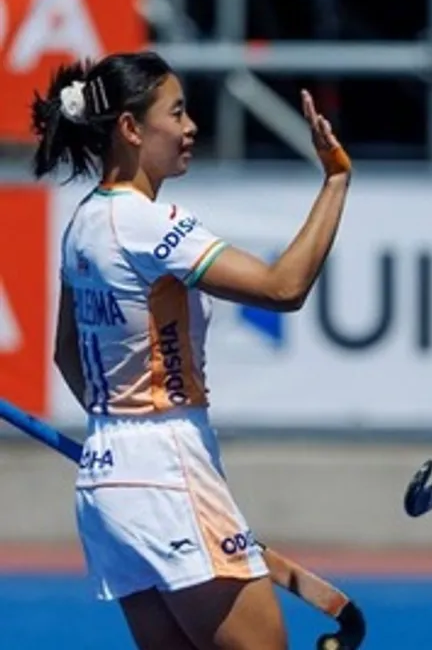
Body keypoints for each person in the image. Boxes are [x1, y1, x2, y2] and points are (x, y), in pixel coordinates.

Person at [32, 51, 352, 650]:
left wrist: (120, 439)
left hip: (106, 480)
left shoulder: (82, 224)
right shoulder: (149, 224)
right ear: (130, 129)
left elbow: (66, 355)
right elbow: (284, 288)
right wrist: (335, 181)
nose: (190, 128)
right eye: (175, 113)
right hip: (168, 463)